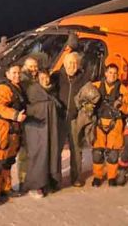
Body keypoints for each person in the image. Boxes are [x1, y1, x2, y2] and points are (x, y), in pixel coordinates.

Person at [0, 64, 26, 205]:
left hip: (13, 130)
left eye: (19, 73)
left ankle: (5, 189)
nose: (17, 75)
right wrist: (15, 115)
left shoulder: (18, 88)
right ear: (7, 74)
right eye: (14, 73)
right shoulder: (3, 88)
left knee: (8, 161)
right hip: (2, 129)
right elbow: (0, 107)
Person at [51, 52, 90, 187]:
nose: (72, 66)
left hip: (75, 118)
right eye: (69, 63)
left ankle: (76, 177)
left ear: (78, 65)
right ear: (64, 64)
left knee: (76, 148)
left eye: (74, 63)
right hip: (60, 118)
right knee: (56, 149)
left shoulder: (83, 78)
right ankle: (56, 179)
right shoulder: (56, 76)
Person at [23, 70, 63, 198]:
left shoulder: (53, 91)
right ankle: (36, 185)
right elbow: (28, 109)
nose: (45, 80)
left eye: (47, 77)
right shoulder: (33, 91)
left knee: (52, 152)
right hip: (37, 128)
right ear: (37, 79)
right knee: (39, 154)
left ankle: (49, 182)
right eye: (42, 77)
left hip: (51, 128)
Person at [91, 63, 128, 187]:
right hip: (99, 122)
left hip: (116, 123)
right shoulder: (96, 86)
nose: (112, 75)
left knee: (113, 154)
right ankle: (97, 176)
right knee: (97, 153)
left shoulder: (123, 89)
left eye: (115, 73)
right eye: (110, 72)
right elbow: (85, 99)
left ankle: (111, 177)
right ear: (105, 73)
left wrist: (121, 106)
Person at [17, 57, 39, 191]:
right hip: (26, 120)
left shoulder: (38, 80)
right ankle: (23, 180)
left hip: (37, 121)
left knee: (37, 152)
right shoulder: (23, 82)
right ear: (25, 67)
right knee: (24, 153)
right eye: (31, 66)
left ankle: (35, 179)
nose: (34, 69)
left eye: (35, 66)